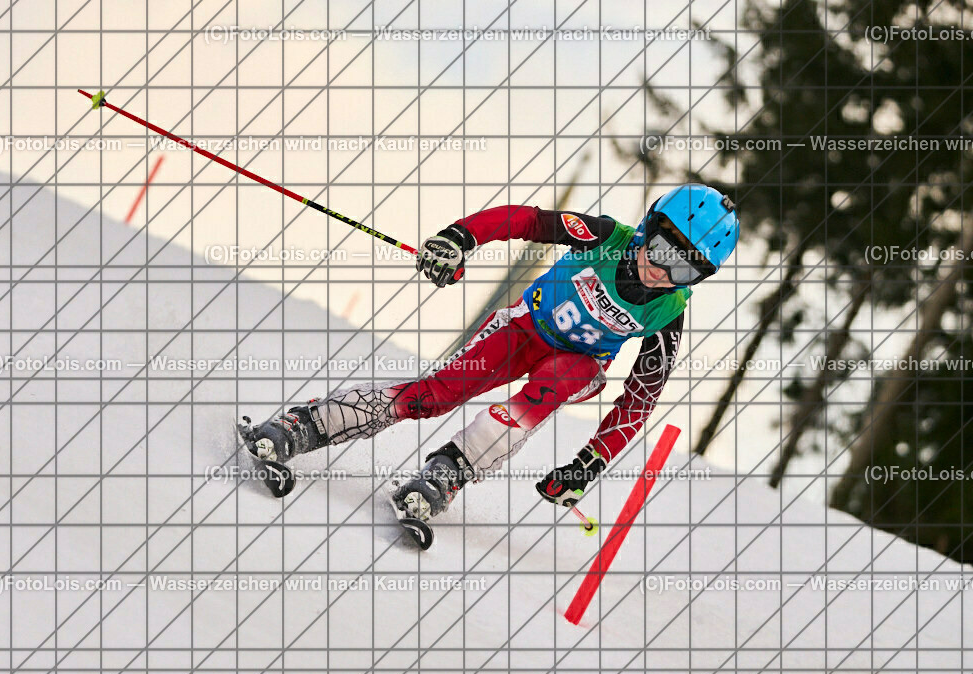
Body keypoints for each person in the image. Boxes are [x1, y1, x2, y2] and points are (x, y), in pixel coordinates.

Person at [239, 184, 740, 522]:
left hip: (577, 365)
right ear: (649, 227)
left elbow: (641, 399)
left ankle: (448, 473)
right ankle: (304, 425)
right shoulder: (605, 237)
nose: (663, 272)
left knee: (558, 380)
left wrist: (587, 464)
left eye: (686, 269)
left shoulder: (668, 314)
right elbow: (525, 220)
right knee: (436, 395)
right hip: (524, 327)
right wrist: (460, 238)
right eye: (664, 251)